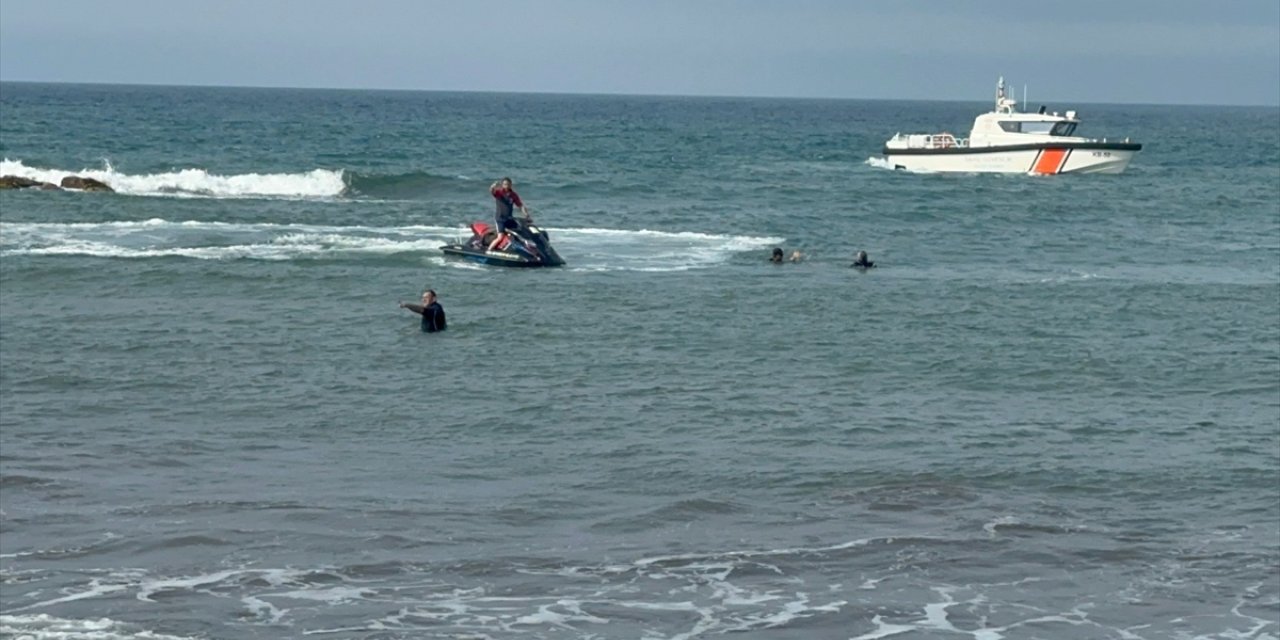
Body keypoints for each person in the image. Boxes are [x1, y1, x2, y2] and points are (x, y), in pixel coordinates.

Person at [487, 177, 530, 251]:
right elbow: (492, 191)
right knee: (500, 237)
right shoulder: (499, 193)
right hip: (500, 219)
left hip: (509, 218)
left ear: (511, 185)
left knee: (521, 231)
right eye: (505, 184)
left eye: (508, 184)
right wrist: (493, 186)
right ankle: (488, 250)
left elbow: (520, 205)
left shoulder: (513, 195)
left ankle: (522, 250)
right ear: (502, 185)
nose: (506, 186)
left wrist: (526, 214)